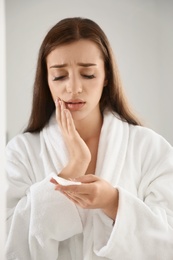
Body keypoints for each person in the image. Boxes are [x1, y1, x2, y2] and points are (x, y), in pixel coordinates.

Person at [6, 17, 173, 260]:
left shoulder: (150, 148)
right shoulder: (20, 153)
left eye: (88, 74)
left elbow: (168, 241)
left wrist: (114, 202)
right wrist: (72, 167)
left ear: (106, 76)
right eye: (60, 76)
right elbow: (9, 243)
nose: (74, 88)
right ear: (46, 81)